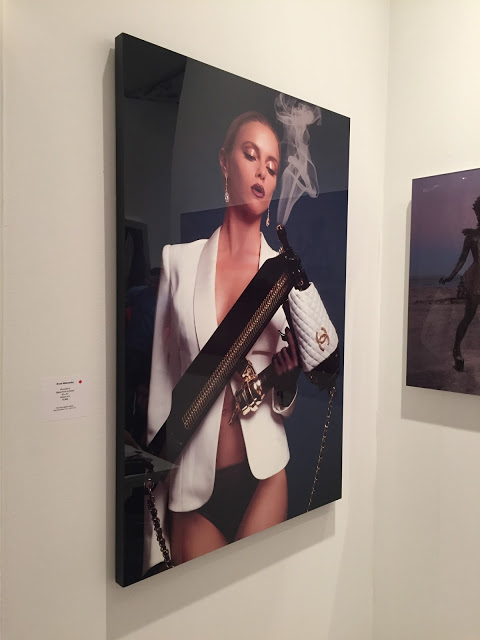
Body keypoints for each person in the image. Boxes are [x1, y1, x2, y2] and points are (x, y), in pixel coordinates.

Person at [144, 111, 333, 573]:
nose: (263, 172)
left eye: (272, 165)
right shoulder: (178, 263)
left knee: (260, 602)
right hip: (192, 483)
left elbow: (289, 394)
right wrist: (152, 514)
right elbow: (161, 387)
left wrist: (286, 385)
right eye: (250, 155)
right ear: (225, 162)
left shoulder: (283, 274)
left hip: (265, 474)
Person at [439, 195, 480, 371]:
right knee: (468, 316)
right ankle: (456, 350)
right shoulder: (471, 236)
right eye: (478, 212)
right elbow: (462, 259)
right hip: (476, 277)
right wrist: (451, 276)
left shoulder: (472, 234)